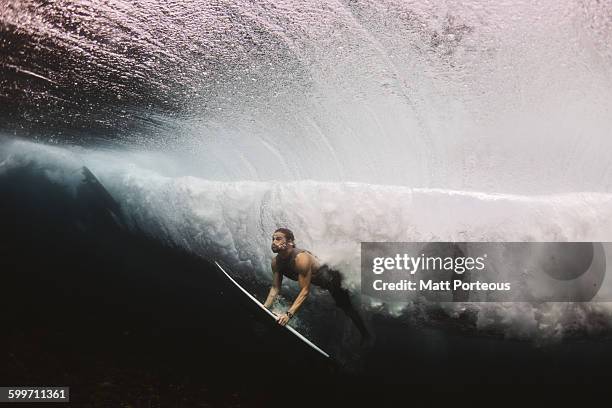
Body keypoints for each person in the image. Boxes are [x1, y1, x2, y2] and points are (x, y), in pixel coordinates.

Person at [263, 227, 370, 342]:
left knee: (346, 307)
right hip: (318, 279)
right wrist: (265, 308)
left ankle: (365, 334)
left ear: (290, 242)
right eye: (273, 239)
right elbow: (275, 288)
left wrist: (288, 315)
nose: (274, 242)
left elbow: (305, 290)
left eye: (278, 239)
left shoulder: (300, 258)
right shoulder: (276, 263)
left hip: (332, 279)